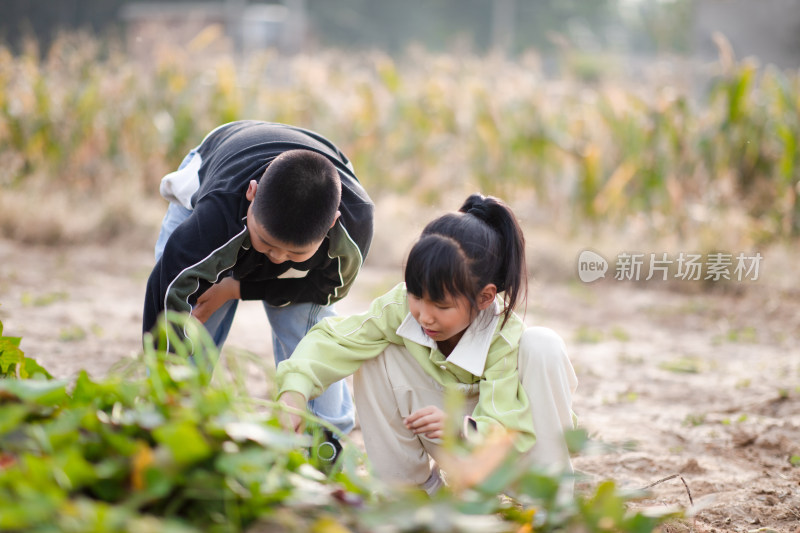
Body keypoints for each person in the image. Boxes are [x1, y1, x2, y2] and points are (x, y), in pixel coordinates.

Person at [276, 193, 577, 494]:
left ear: (485, 297)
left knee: (542, 343)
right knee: (376, 350)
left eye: (442, 306)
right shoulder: (402, 308)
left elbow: (505, 425)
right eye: (416, 296)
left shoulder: (503, 336)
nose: (425, 316)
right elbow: (336, 339)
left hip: (507, 457)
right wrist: (295, 391)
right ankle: (409, 494)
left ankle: (552, 496)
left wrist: (458, 426)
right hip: (450, 448)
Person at [143, 120, 374, 439]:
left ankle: (326, 438)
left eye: (293, 254)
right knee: (194, 320)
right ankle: (173, 420)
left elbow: (322, 292)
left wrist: (238, 288)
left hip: (305, 189)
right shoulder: (213, 218)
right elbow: (167, 293)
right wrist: (166, 375)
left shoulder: (353, 227)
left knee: (306, 320)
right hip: (218, 164)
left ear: (331, 224)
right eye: (267, 245)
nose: (277, 259)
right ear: (252, 194)